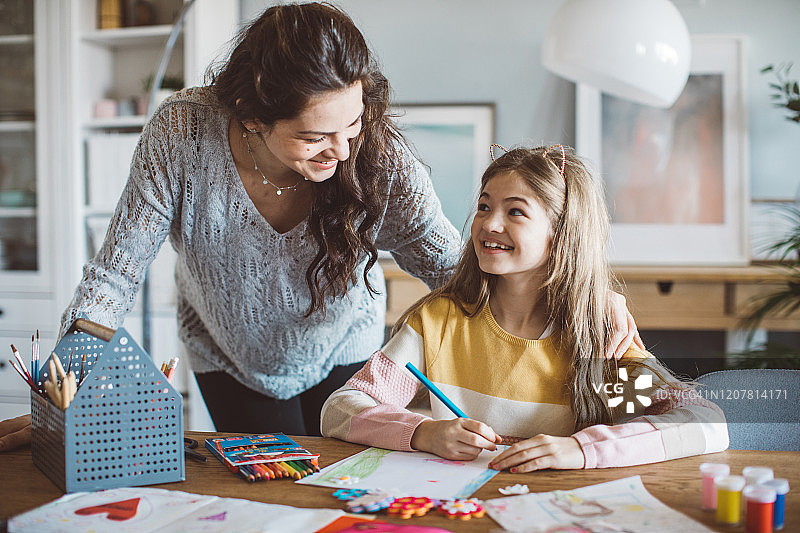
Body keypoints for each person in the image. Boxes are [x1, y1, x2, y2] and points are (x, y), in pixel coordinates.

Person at [0, 3, 640, 452]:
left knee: (350, 486)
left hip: (346, 351)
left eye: (352, 125)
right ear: (252, 117)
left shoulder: (378, 160)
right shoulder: (181, 134)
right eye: (313, 136)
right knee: (272, 495)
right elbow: (117, 270)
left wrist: (581, 293)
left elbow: (452, 262)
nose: (340, 151)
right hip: (230, 356)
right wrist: (72, 373)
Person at [321, 145, 729, 470]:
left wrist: (581, 450)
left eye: (515, 211)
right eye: (484, 206)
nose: (489, 224)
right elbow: (340, 410)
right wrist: (423, 432)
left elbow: (703, 423)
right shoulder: (439, 322)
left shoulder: (595, 340)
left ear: (562, 234)